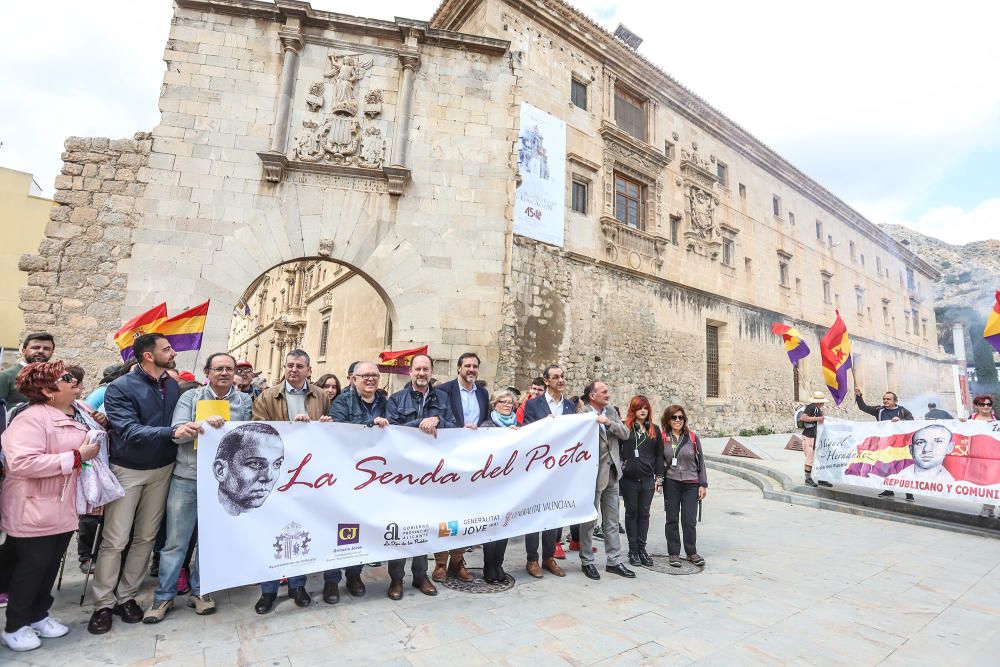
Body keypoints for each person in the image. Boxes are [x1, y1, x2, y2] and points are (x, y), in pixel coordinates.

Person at [87, 333, 203, 636]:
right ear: (148, 356)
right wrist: (172, 432)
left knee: (146, 538)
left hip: (163, 470)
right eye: (166, 349)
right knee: (115, 539)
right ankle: (102, 602)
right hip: (128, 470)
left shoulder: (172, 385)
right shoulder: (120, 387)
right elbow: (127, 430)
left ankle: (126, 596)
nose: (173, 352)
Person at [142, 353, 253, 623]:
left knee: (210, 540)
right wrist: (201, 425)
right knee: (176, 541)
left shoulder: (244, 401)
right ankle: (164, 596)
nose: (224, 373)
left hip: (222, 482)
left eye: (229, 369)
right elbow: (177, 430)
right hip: (188, 477)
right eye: (218, 369)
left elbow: (248, 436)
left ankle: (202, 590)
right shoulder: (190, 398)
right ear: (208, 372)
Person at [0, 361, 101, 652]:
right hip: (33, 506)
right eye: (66, 378)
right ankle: (16, 625)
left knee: (49, 565)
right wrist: (76, 456)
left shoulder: (76, 412)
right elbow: (22, 462)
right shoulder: (30, 419)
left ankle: (38, 615)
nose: (75, 380)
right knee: (31, 567)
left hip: (62, 505)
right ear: (47, 390)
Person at [252, 350, 331, 615]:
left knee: (301, 529)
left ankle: (298, 585)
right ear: (284, 368)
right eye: (289, 365)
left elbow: (331, 431)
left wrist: (325, 424)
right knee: (270, 530)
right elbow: (258, 431)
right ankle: (268, 590)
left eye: (299, 366)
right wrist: (289, 426)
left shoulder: (321, 396)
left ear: (309, 370)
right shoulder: (266, 396)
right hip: (275, 474)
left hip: (308, 475)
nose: (294, 370)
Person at [385, 354, 455, 600]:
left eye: (426, 369)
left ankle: (421, 575)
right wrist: (422, 423)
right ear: (410, 372)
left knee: (425, 525)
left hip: (433, 474)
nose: (422, 373)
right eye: (418, 369)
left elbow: (454, 427)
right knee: (400, 526)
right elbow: (392, 431)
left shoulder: (443, 398)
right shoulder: (395, 400)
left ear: (431, 371)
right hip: (404, 475)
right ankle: (396, 578)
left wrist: (439, 419)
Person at [325, 361, 388, 603]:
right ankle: (332, 580)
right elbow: (340, 430)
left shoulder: (384, 401)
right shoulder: (342, 402)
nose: (370, 379)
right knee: (338, 526)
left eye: (374, 375)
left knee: (361, 526)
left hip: (372, 477)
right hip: (345, 474)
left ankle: (354, 575)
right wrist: (372, 425)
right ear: (353, 379)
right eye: (365, 376)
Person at [432, 352, 489, 583]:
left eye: (475, 366)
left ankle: (458, 562)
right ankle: (439, 563)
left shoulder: (483, 393)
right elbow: (437, 417)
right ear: (459, 368)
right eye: (467, 366)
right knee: (445, 513)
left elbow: (486, 420)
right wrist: (458, 428)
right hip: (448, 459)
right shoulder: (444, 390)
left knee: (467, 513)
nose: (471, 370)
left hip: (473, 462)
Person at [576, 381, 635, 580]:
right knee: (589, 521)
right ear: (592, 395)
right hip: (591, 476)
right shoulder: (582, 415)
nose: (608, 394)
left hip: (613, 473)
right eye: (604, 392)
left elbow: (625, 434)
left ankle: (614, 561)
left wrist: (608, 423)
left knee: (612, 520)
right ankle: (587, 561)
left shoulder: (611, 411)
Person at [520, 364, 574, 578]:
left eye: (563, 376)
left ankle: (549, 557)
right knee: (534, 514)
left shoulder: (570, 406)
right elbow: (529, 433)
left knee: (553, 514)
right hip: (537, 469)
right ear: (546, 381)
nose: (561, 380)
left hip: (560, 470)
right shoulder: (534, 405)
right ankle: (532, 559)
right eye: (556, 377)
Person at [479, 389, 520, 583]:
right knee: (493, 527)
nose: (506, 405)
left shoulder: (518, 426)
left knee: (505, 525)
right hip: (491, 485)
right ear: (495, 405)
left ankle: (499, 564)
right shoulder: (487, 426)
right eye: (502, 402)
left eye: (509, 402)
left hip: (510, 484)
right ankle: (489, 566)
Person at [619, 395, 663, 568]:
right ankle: (633, 549)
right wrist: (623, 464)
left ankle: (642, 549)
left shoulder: (655, 430)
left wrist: (659, 478)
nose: (643, 411)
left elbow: (659, 455)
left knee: (644, 514)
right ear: (633, 410)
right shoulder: (625, 428)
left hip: (647, 481)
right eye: (639, 408)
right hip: (629, 480)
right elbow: (618, 449)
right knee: (632, 513)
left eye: (645, 408)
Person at [661, 404, 708, 568]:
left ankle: (691, 552)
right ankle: (673, 552)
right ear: (668, 420)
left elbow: (700, 461)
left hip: (691, 484)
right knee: (672, 519)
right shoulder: (663, 438)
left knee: (689, 520)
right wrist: (658, 480)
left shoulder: (693, 438)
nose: (677, 420)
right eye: (674, 417)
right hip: (671, 482)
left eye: (680, 417)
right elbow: (659, 462)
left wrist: (703, 484)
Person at [854, 388, 915, 499]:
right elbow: (864, 407)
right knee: (887, 467)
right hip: (885, 445)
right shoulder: (879, 410)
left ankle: (909, 493)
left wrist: (901, 420)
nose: (885, 401)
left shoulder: (902, 411)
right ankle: (889, 490)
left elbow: (912, 422)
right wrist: (859, 396)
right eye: (884, 399)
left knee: (904, 468)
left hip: (901, 445)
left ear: (895, 401)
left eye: (888, 399)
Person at [0, 333, 56, 408]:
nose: (41, 351)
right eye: (35, 347)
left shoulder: (53, 378)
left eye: (46, 349)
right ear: (23, 351)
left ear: (52, 353)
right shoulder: (6, 376)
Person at [965, 395, 996, 517]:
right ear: (977, 406)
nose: (986, 407)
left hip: (994, 456)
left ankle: (988, 508)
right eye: (982, 404)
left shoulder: (996, 419)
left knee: (994, 482)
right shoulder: (971, 418)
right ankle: (988, 507)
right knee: (984, 483)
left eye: (988, 404)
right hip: (977, 455)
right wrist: (962, 422)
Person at [800, 391, 828, 488]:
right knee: (810, 458)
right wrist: (817, 419)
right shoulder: (811, 407)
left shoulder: (817, 409)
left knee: (818, 458)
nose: (824, 403)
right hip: (809, 436)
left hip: (814, 437)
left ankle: (820, 478)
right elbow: (803, 418)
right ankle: (807, 479)